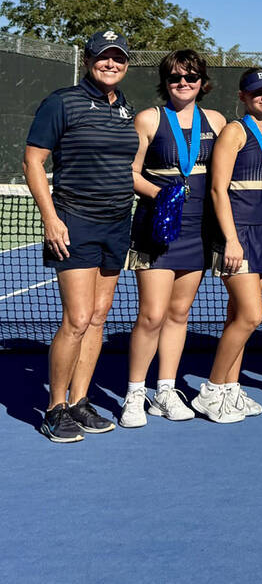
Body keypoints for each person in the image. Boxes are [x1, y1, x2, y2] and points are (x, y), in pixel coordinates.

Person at [25, 29, 139, 442]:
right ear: (90, 60)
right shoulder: (62, 102)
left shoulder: (124, 107)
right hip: (75, 222)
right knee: (75, 318)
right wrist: (51, 219)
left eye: (119, 59)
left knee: (97, 316)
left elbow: (127, 170)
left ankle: (79, 401)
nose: (111, 64)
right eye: (104, 57)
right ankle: (54, 408)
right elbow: (33, 162)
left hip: (117, 224)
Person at [120, 49, 226, 428]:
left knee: (179, 314)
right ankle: (135, 394)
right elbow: (131, 172)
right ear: (165, 83)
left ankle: (165, 390)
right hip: (157, 229)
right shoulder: (149, 118)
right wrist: (161, 196)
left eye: (191, 77)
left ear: (202, 82)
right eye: (175, 78)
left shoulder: (215, 120)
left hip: (198, 230)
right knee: (151, 316)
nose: (183, 84)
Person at [191, 68, 262, 423]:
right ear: (243, 97)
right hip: (238, 233)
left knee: (236, 315)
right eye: (257, 91)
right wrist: (230, 239)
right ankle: (212, 389)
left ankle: (231, 387)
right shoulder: (234, 131)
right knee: (251, 315)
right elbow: (218, 188)